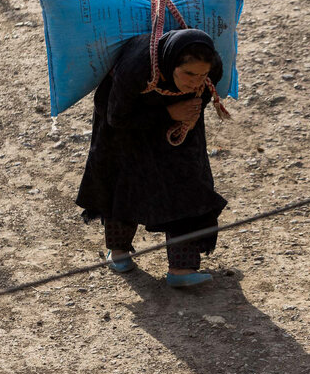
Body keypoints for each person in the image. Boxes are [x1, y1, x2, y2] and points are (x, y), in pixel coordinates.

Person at [75, 29, 228, 288]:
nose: (196, 81)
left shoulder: (212, 69)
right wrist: (169, 111)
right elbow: (117, 118)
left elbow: (199, 99)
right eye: (189, 74)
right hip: (123, 123)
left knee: (186, 183)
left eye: (201, 75)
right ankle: (119, 251)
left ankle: (182, 268)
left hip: (177, 123)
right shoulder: (136, 66)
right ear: (172, 64)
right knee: (125, 179)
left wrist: (186, 116)